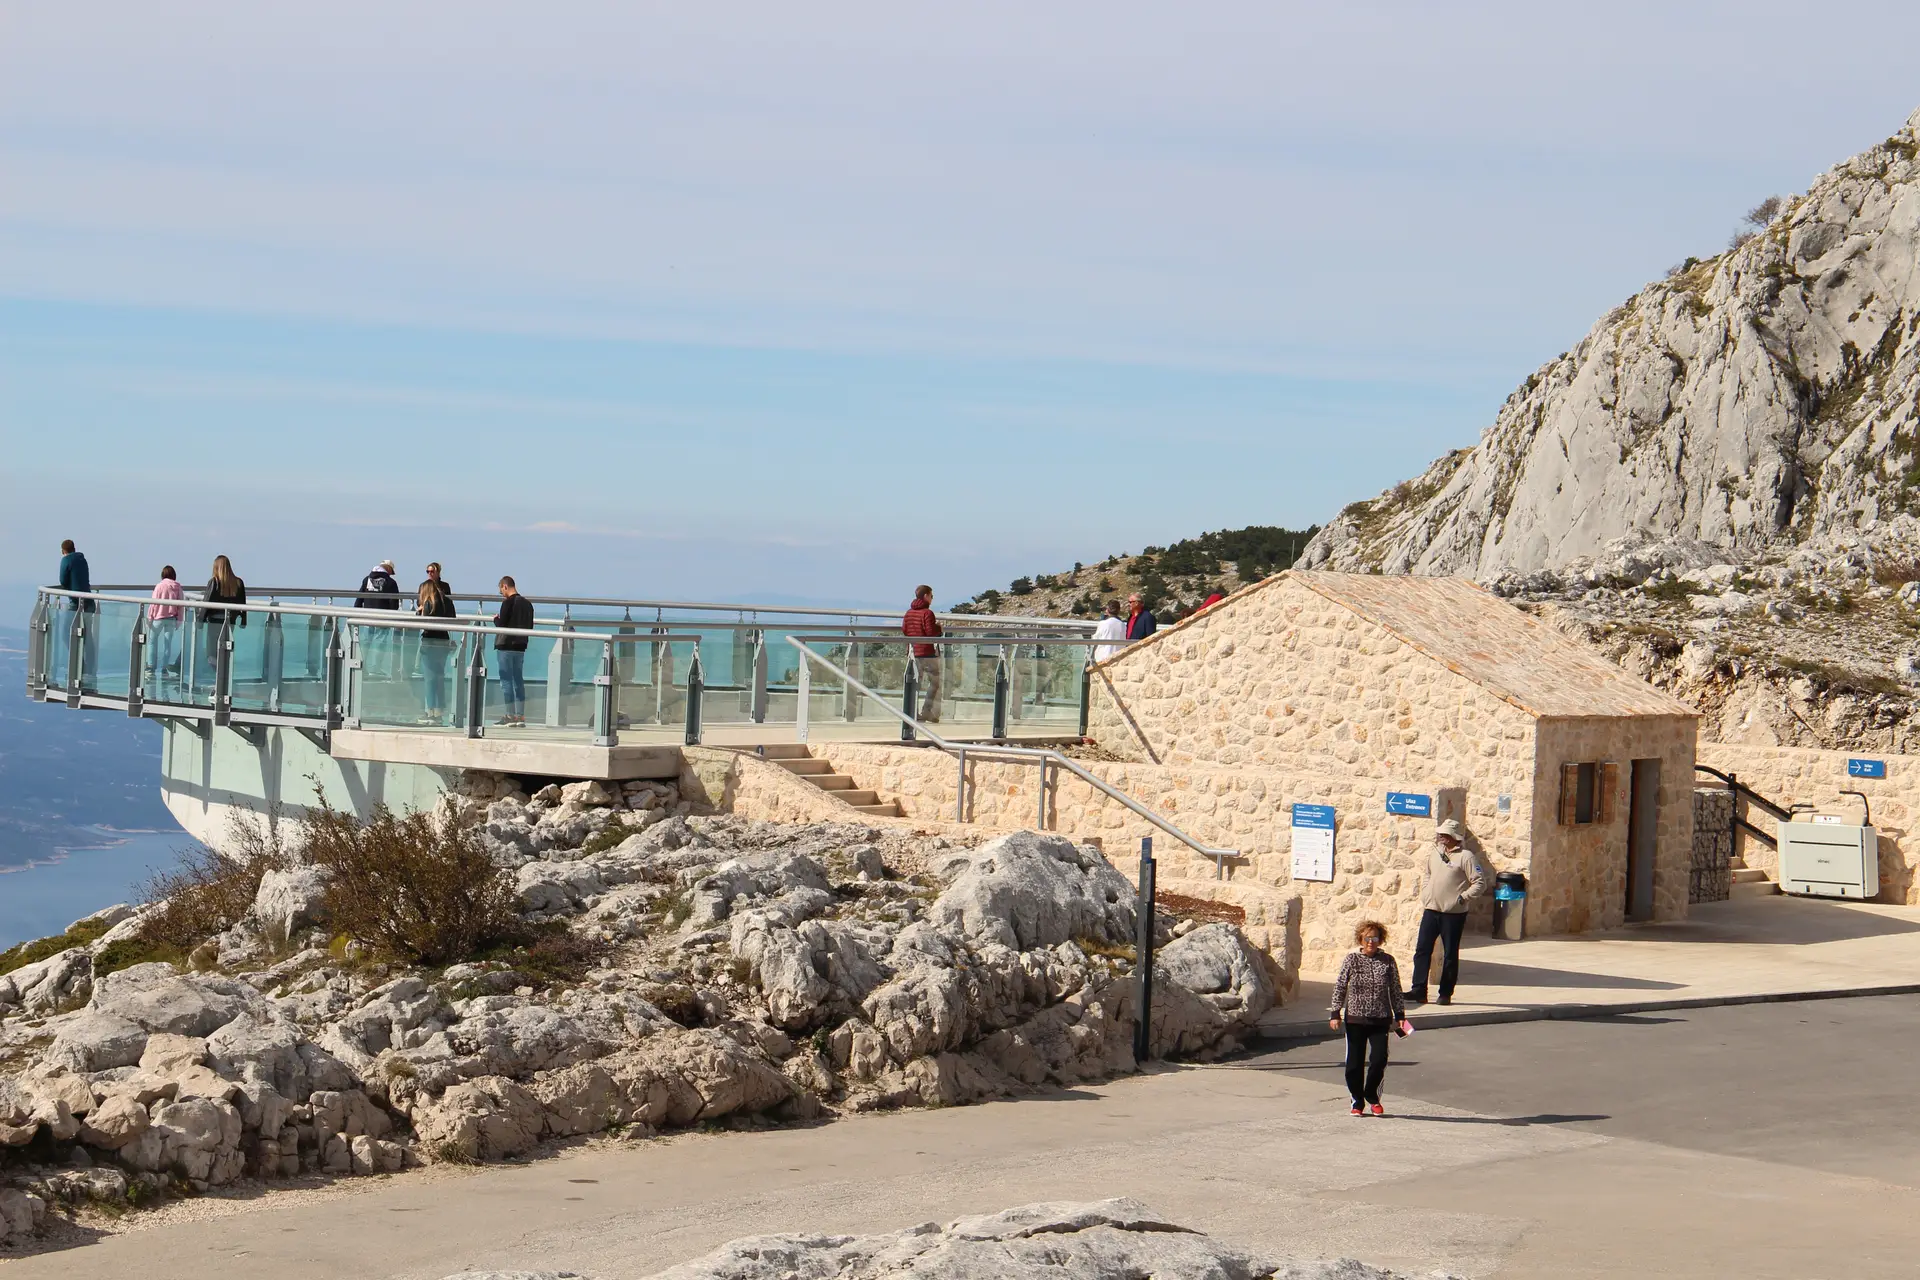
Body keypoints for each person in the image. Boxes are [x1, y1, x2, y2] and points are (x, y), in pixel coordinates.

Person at [1406, 818, 1493, 1007]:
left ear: (1454, 837)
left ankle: (1445, 993)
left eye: (1446, 835)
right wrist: (1426, 893)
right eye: (1441, 834)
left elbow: (1479, 882)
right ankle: (1418, 989)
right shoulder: (1435, 854)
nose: (1442, 838)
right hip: (1431, 909)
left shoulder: (1466, 856)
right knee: (1422, 950)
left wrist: (1462, 898)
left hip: (1453, 913)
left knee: (1450, 954)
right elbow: (1428, 874)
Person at [1328, 919, 1409, 1117]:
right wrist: (1335, 1013)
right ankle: (1357, 1101)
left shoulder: (1388, 961)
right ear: (1361, 940)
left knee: (1379, 1059)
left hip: (1380, 1019)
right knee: (1354, 1063)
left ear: (1380, 940)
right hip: (1355, 1019)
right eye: (1367, 938)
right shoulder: (1351, 960)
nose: (1371, 942)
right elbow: (1340, 986)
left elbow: (1396, 989)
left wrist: (1400, 1015)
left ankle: (1372, 1096)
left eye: (1374, 938)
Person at [197, 556, 247, 694]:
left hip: (214, 623)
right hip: (230, 622)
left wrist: (200, 621)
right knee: (225, 651)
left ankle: (220, 682)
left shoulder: (214, 582)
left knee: (211, 654)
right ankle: (223, 681)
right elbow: (243, 604)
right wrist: (243, 620)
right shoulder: (238, 583)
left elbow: (207, 603)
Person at [415, 563, 457, 725]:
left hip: (430, 641)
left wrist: (419, 612)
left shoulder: (428, 604)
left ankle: (431, 712)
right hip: (443, 640)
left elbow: (423, 623)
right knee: (439, 677)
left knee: (430, 678)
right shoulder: (446, 601)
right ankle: (439, 711)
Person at [492, 575, 534, 727]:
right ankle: (520, 716)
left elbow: (502, 625)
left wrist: (495, 619)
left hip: (506, 646)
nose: (502, 594)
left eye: (501, 590)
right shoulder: (528, 604)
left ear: (505, 586)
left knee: (506, 681)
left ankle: (509, 715)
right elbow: (530, 626)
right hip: (521, 646)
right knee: (518, 680)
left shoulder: (507, 603)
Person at [901, 584, 943, 722]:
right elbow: (931, 632)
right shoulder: (927, 613)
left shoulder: (908, 613)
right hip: (927, 652)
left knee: (914, 683)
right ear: (926, 596)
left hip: (913, 652)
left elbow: (905, 630)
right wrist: (939, 627)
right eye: (931, 596)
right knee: (934, 682)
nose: (932, 599)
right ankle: (926, 711)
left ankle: (911, 712)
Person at [57, 539, 97, 680]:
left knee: (65, 634)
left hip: (76, 603)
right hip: (89, 602)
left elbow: (63, 580)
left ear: (63, 551)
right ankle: (89, 669)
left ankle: (79, 664)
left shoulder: (66, 560)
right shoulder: (82, 559)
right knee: (87, 636)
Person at [356, 559, 402, 678]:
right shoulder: (391, 583)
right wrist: (392, 616)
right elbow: (394, 603)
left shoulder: (367, 579)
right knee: (380, 643)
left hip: (366, 617)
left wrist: (356, 611)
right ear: (387, 569)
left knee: (366, 643)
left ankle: (362, 666)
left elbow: (359, 597)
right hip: (383, 617)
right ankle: (375, 669)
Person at [148, 566, 185, 692]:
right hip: (171, 618)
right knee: (167, 644)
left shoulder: (159, 586)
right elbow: (181, 606)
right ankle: (164, 669)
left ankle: (150, 667)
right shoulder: (177, 587)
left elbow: (153, 603)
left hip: (158, 617)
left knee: (152, 641)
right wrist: (179, 620)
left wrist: (150, 617)